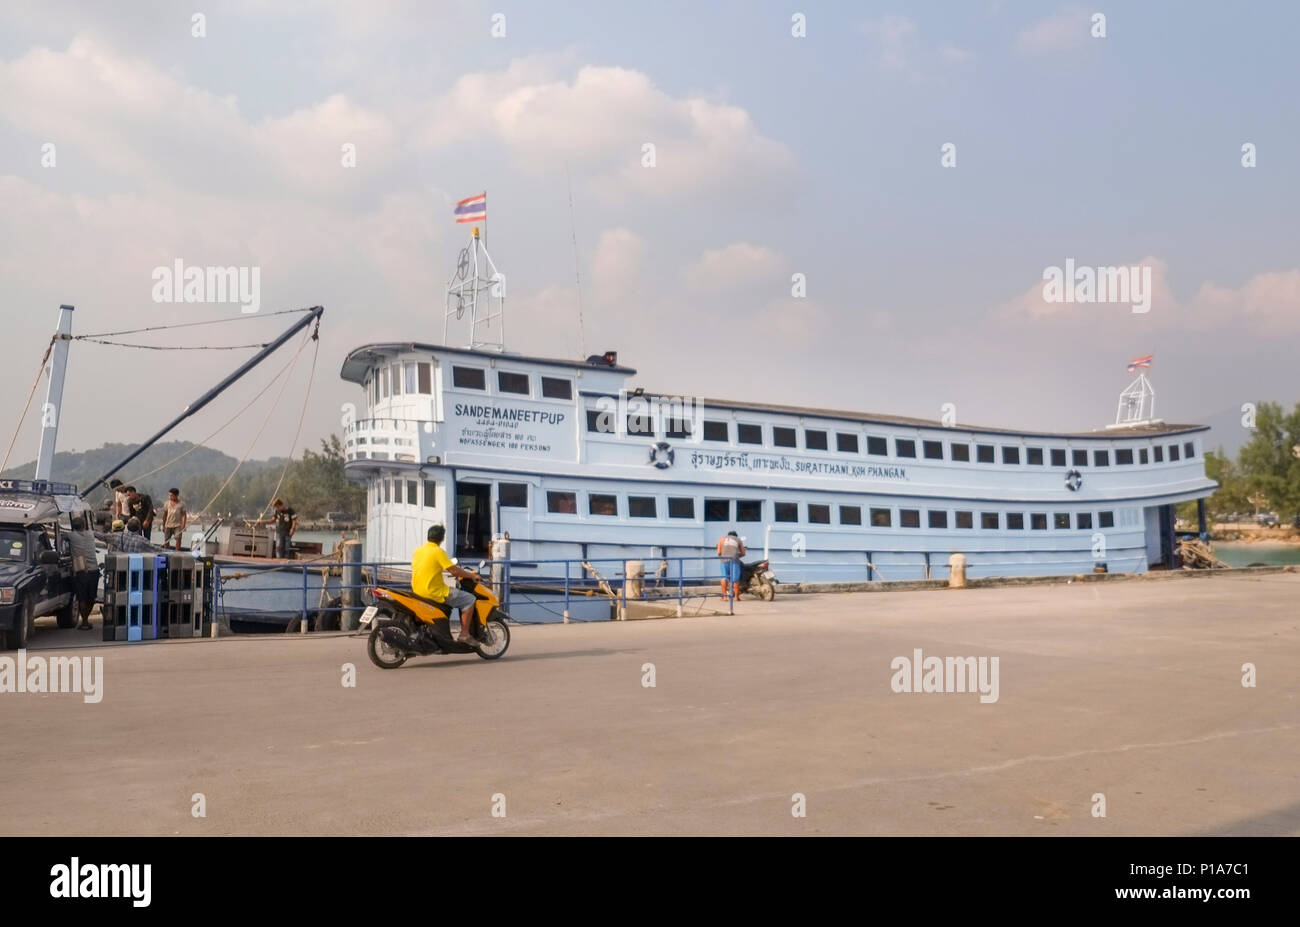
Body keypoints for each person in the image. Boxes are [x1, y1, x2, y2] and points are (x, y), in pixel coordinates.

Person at [412, 524, 481, 644]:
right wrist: (472, 575)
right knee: (470, 599)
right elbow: (454, 570)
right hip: (434, 592)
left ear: (428, 536)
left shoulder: (419, 550)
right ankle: (464, 635)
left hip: (417, 590)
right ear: (442, 538)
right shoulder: (438, 551)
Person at [66, 512, 99, 630]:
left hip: (80, 571)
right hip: (94, 570)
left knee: (81, 598)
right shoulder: (91, 534)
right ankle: (85, 620)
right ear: (84, 525)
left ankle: (84, 621)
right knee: (91, 597)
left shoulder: (70, 536)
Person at [716, 530, 746, 600]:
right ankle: (736, 597)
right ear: (735, 536)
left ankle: (724, 597)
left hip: (724, 560)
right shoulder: (738, 540)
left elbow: (719, 552)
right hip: (734, 560)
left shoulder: (722, 539)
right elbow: (743, 553)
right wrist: (737, 556)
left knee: (724, 577)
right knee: (735, 579)